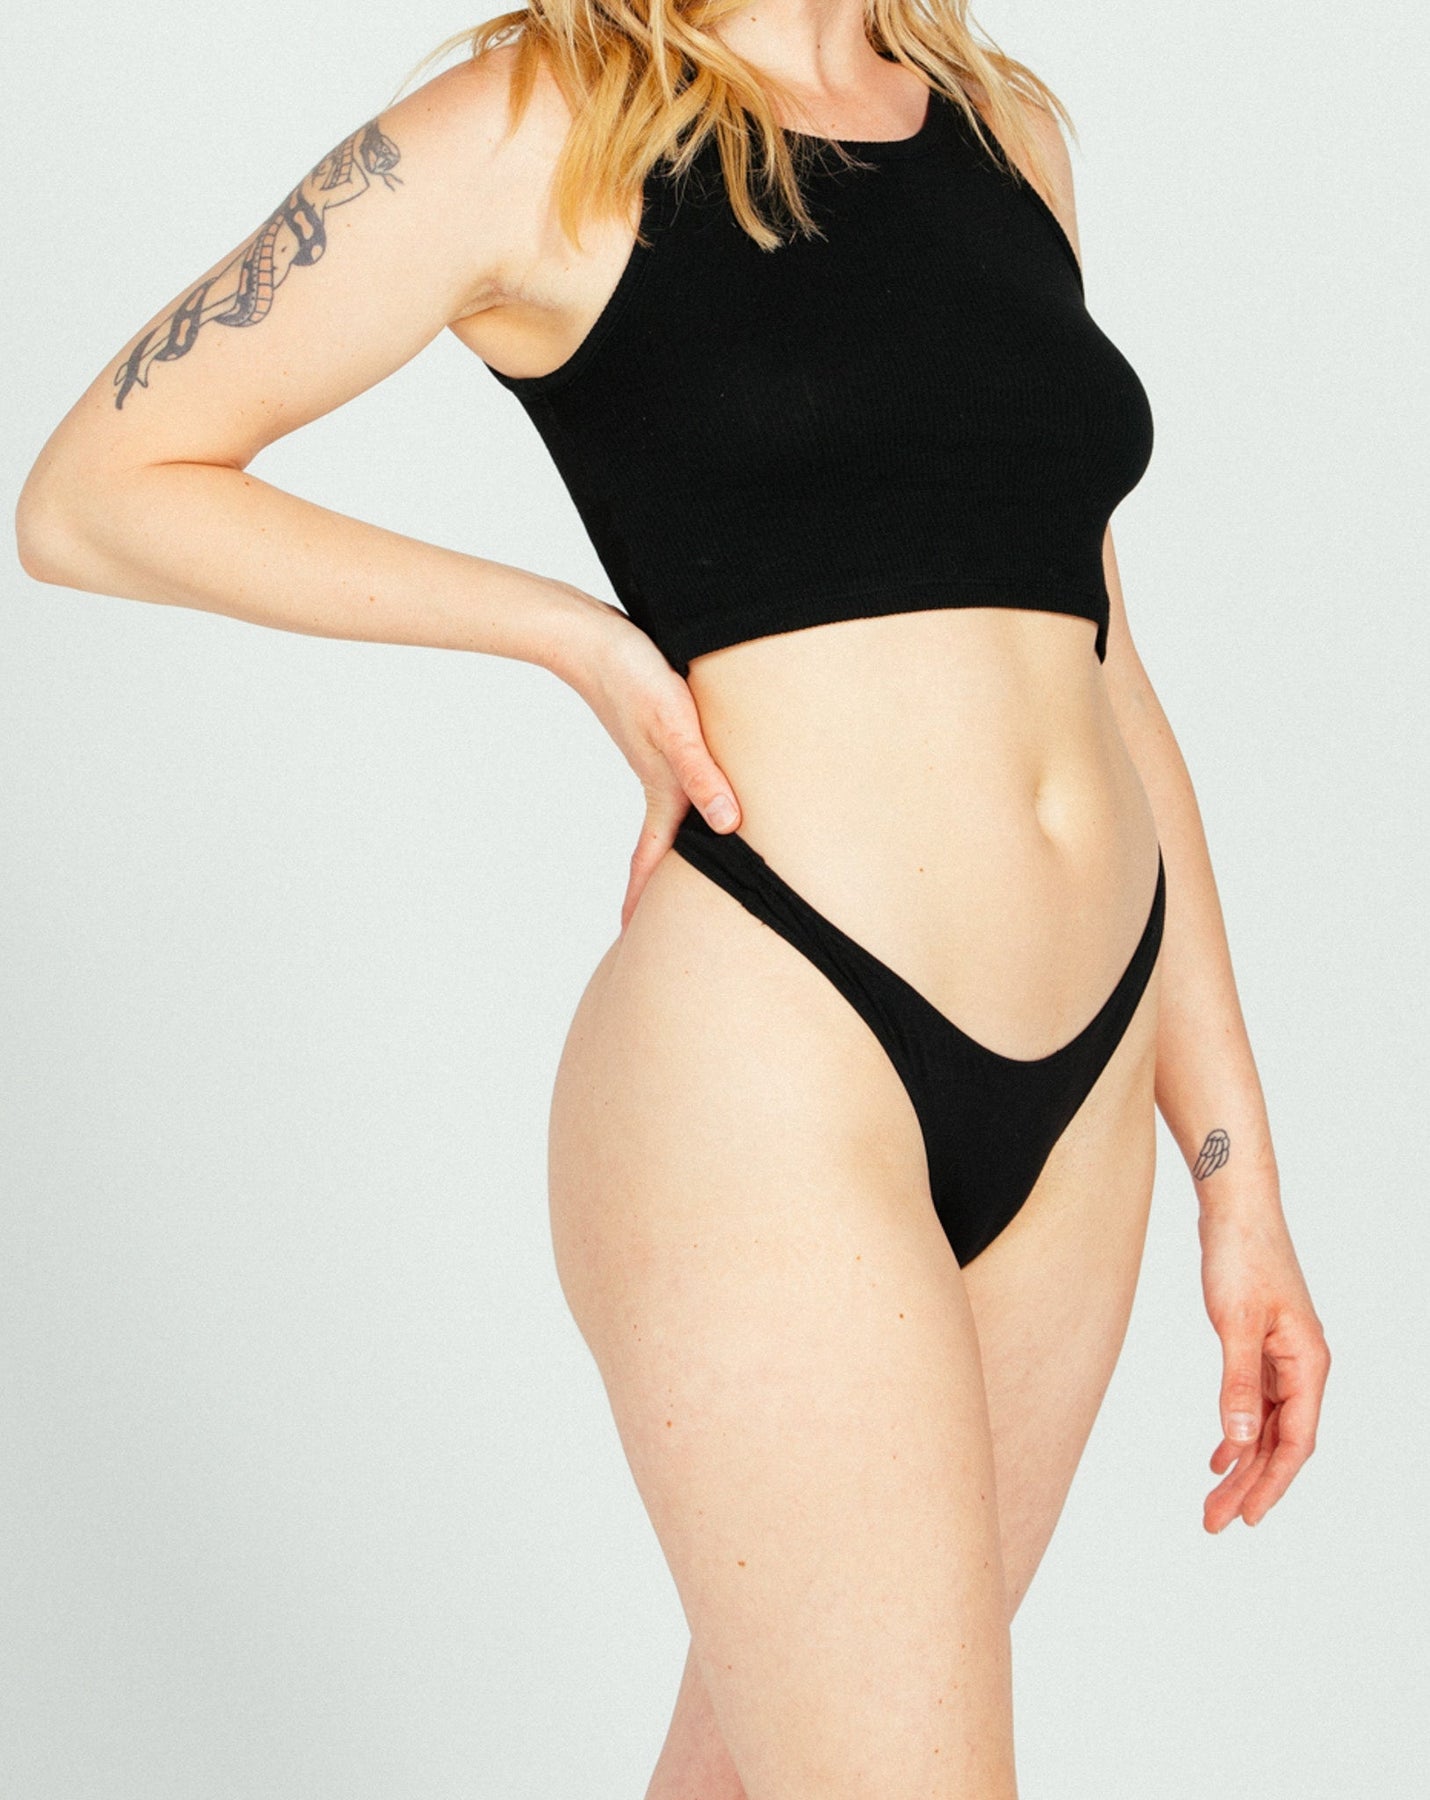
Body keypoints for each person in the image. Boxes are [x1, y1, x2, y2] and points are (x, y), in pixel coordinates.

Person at [15, 2, 1331, 1793]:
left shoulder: (1000, 137)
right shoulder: (538, 124)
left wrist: (1234, 1175)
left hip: (1087, 1078)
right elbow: (94, 495)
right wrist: (574, 638)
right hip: (781, 1059)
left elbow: (1103, 657)